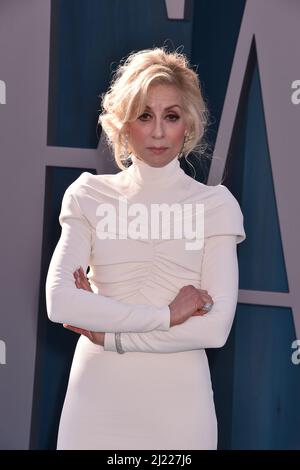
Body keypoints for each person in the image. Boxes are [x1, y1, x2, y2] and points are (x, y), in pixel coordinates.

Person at [45, 47, 246, 450]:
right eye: (144, 116)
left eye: (170, 116)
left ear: (187, 125)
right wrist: (168, 315)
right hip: (94, 407)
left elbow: (215, 328)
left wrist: (112, 335)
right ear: (122, 125)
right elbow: (61, 303)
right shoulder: (88, 194)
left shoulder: (215, 206)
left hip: (179, 411)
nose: (157, 132)